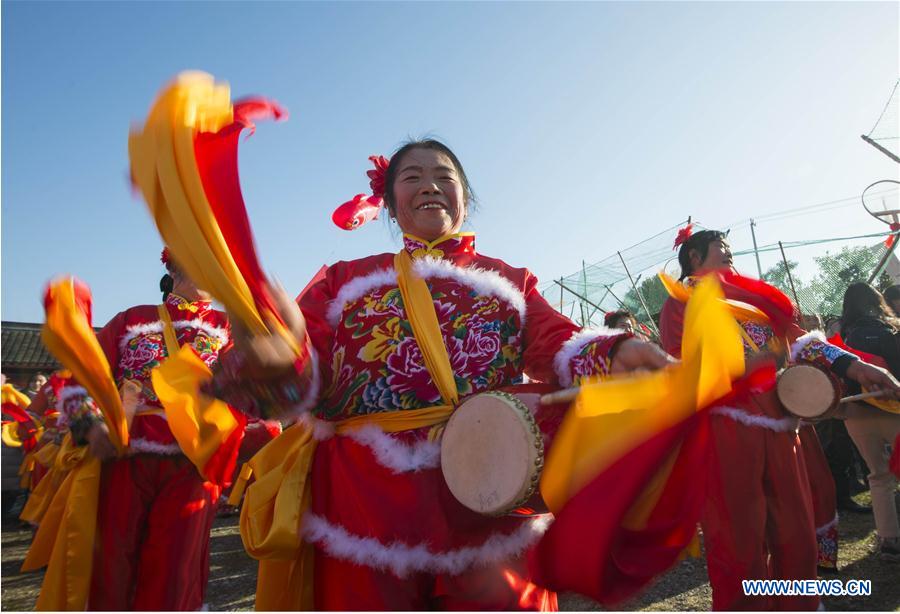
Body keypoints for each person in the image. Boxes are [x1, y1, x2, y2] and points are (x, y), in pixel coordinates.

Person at [210, 139, 670, 610]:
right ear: (389, 205)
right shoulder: (343, 282)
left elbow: (558, 342)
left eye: (444, 176)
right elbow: (304, 370)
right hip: (365, 506)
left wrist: (617, 353)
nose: (430, 185)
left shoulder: (510, 280)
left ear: (464, 199)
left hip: (490, 496)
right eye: (412, 177)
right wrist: (274, 357)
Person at [658, 228, 899, 610]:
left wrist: (856, 367)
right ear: (694, 258)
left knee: (795, 532)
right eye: (721, 248)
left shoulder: (755, 298)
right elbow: (680, 368)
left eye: (730, 249)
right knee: (739, 538)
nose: (730, 254)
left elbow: (803, 343)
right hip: (725, 432)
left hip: (783, 429)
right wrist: (743, 368)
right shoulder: (680, 304)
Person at [53, 251, 234, 610]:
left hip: (192, 465)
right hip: (125, 459)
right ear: (175, 267)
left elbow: (249, 393)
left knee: (175, 569)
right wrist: (90, 428)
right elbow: (80, 382)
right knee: (111, 565)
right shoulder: (132, 320)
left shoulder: (227, 327)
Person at [839, 282, 900, 560]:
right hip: (894, 409)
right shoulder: (891, 331)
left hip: (855, 414)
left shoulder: (841, 340)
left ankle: (888, 539)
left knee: (878, 476)